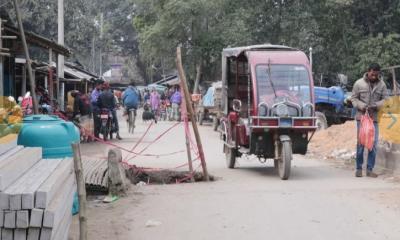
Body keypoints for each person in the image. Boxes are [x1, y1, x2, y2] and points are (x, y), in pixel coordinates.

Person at [351, 63, 388, 178]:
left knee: (373, 144)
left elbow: (386, 100)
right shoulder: (358, 83)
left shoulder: (382, 85)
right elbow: (353, 98)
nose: (374, 76)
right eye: (372, 74)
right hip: (361, 118)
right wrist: (362, 106)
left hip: (374, 119)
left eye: (376, 74)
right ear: (368, 71)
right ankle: (358, 169)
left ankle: (370, 169)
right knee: (361, 143)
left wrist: (376, 106)